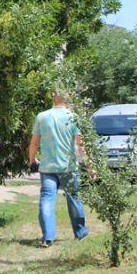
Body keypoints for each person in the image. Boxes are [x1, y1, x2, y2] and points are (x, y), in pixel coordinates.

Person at [28, 90, 89, 248]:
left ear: (54, 97)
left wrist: (32, 159)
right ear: (68, 99)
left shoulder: (42, 116)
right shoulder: (73, 117)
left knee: (47, 199)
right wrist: (91, 166)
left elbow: (34, 143)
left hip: (47, 167)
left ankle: (47, 237)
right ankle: (80, 232)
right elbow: (80, 144)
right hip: (67, 167)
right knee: (74, 198)